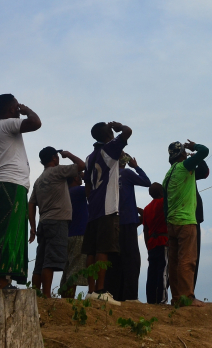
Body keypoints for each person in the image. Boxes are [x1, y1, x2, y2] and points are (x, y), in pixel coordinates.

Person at [0, 94, 41, 290]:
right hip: (12, 184)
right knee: (9, 232)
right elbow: (36, 123)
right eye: (16, 106)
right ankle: (1, 282)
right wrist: (27, 110)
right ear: (11, 109)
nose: (18, 108)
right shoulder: (8, 123)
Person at [82, 121, 131, 304]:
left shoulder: (89, 157)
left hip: (93, 207)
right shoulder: (110, 149)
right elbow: (128, 131)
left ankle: (91, 290)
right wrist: (120, 127)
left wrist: (91, 201)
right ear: (109, 134)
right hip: (108, 206)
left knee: (91, 251)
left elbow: (87, 183)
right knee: (103, 248)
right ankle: (101, 291)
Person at [28, 147, 86, 298]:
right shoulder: (57, 171)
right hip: (58, 221)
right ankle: (47, 296)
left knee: (40, 262)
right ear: (54, 158)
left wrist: (33, 226)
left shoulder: (39, 180)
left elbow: (31, 203)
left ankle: (36, 295)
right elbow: (81, 165)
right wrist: (68, 154)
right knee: (50, 261)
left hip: (43, 222)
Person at [163, 140, 209, 307]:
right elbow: (204, 151)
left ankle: (176, 298)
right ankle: (187, 297)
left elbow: (165, 204)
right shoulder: (185, 167)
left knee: (174, 262)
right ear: (182, 154)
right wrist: (194, 147)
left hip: (171, 223)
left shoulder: (167, 175)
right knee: (187, 260)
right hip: (186, 221)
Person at [105, 152, 150, 301]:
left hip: (111, 223)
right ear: (125, 162)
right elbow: (146, 182)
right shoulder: (127, 173)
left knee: (114, 259)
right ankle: (130, 296)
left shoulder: (108, 175)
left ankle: (114, 295)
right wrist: (136, 167)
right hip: (128, 222)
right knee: (131, 260)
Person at [59, 171, 89, 299]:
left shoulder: (66, 194)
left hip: (68, 234)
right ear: (75, 178)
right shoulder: (77, 191)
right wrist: (86, 176)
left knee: (68, 268)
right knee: (75, 270)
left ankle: (65, 298)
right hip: (79, 234)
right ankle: (69, 300)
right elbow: (92, 189)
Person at [142, 182, 168, 304]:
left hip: (152, 243)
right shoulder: (165, 203)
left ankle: (151, 301)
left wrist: (148, 246)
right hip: (164, 241)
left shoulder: (146, 209)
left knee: (152, 272)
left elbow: (145, 230)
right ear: (161, 192)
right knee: (163, 271)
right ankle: (161, 299)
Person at [192, 159, 209, 291]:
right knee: (193, 258)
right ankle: (189, 292)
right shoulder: (187, 170)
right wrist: (197, 157)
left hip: (179, 219)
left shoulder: (171, 174)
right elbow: (205, 172)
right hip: (191, 219)